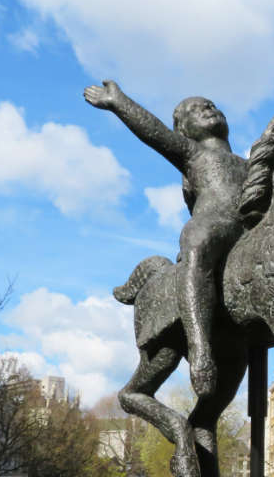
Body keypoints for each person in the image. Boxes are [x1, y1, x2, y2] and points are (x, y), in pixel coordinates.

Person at [85, 80, 248, 397]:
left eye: (211, 104)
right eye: (195, 108)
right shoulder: (192, 153)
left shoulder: (249, 163)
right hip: (213, 224)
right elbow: (154, 132)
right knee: (198, 241)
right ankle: (200, 349)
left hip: (246, 234)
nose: (207, 107)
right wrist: (119, 102)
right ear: (184, 131)